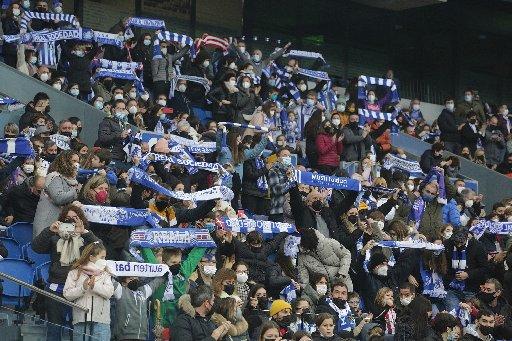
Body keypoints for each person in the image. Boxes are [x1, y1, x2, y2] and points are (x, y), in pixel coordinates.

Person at [32, 205, 100, 341]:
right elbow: (36, 247)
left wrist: (85, 232)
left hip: (78, 288)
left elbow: (100, 250)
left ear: (81, 220)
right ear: (62, 220)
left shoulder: (86, 238)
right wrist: (49, 231)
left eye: (75, 218)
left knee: (77, 329)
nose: (71, 221)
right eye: (68, 218)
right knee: (54, 328)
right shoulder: (54, 236)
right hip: (56, 287)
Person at [63, 242, 113, 341]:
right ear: (91, 257)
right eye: (102, 257)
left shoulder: (106, 274)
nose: (104, 260)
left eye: (105, 257)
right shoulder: (74, 273)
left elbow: (109, 293)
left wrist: (94, 286)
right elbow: (67, 294)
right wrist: (83, 288)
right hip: (81, 320)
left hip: (101, 321)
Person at [33, 150, 81, 237]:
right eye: (74, 161)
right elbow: (58, 198)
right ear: (65, 161)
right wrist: (75, 191)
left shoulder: (71, 180)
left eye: (78, 162)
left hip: (60, 221)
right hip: (47, 221)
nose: (76, 164)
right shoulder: (54, 176)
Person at [95, 99, 130, 168]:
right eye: (119, 108)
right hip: (110, 157)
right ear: (113, 110)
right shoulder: (107, 122)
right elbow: (103, 138)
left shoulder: (126, 125)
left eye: (123, 109)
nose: (121, 111)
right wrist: (119, 135)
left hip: (122, 159)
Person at [268, 148, 295, 222]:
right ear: (278, 157)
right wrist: (289, 181)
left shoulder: (293, 172)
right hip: (278, 211)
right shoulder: (273, 171)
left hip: (291, 211)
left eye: (289, 156)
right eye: (285, 155)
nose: (287, 157)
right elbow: (277, 190)